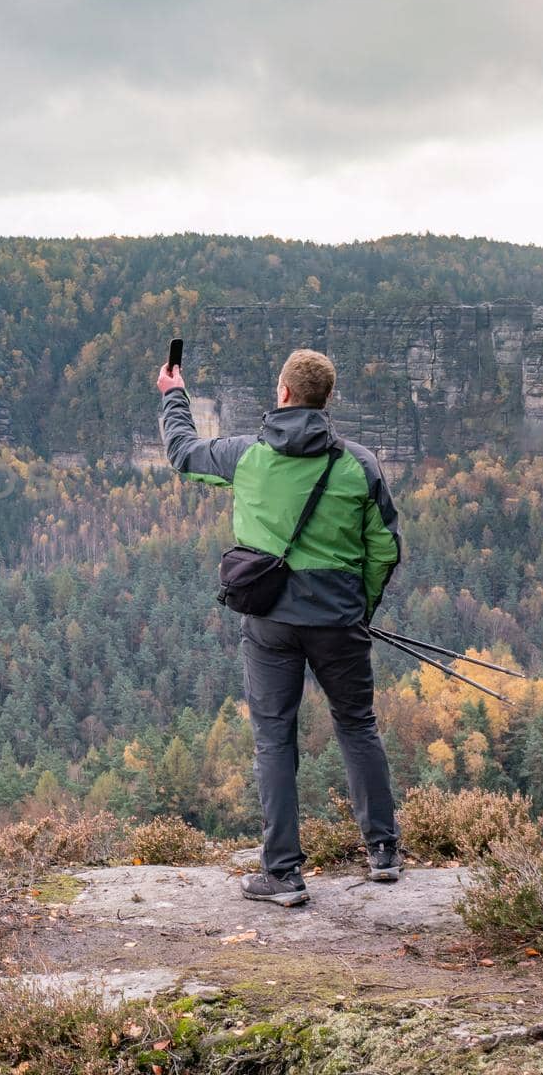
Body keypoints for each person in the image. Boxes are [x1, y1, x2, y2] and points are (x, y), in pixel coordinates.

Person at [157, 348, 402, 907]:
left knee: (274, 740)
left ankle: (284, 874)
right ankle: (383, 853)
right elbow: (384, 548)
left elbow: (182, 453)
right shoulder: (357, 465)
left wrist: (175, 394)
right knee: (357, 726)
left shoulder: (247, 455)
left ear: (284, 394)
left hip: (269, 622)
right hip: (339, 620)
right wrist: (358, 608)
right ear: (326, 399)